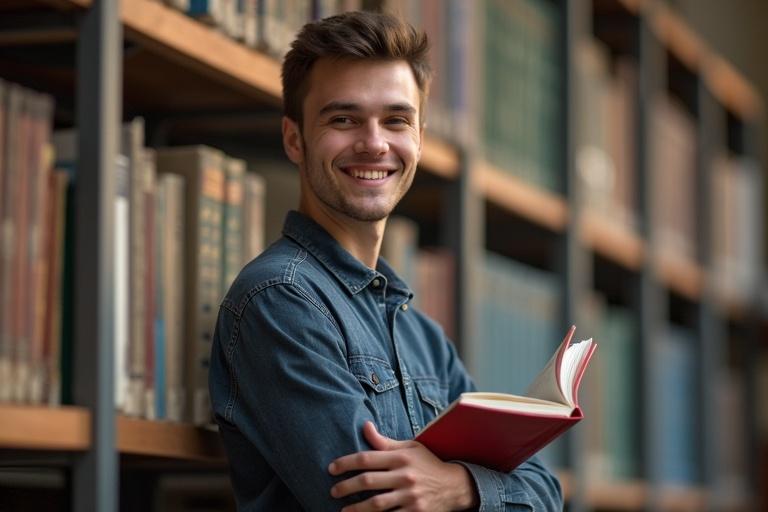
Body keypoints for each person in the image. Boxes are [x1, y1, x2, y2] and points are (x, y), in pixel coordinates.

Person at [209, 10, 563, 511]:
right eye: (343, 118)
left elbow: (547, 492)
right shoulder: (278, 300)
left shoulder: (421, 335)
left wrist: (458, 488)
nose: (374, 143)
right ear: (294, 139)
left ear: (418, 139)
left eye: (396, 120)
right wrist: (480, 489)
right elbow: (376, 504)